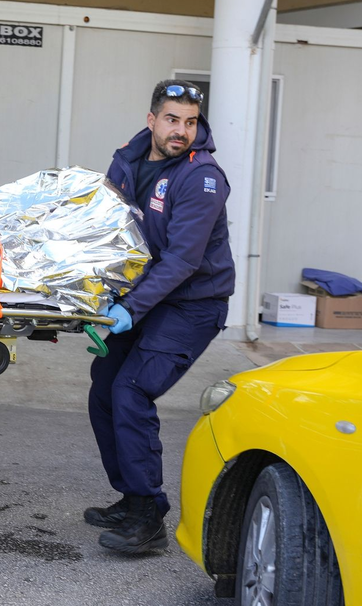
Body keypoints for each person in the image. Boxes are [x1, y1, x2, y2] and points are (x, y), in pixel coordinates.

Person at [84, 80, 234, 554]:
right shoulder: (127, 160)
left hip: (192, 304)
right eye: (172, 119)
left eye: (191, 122)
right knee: (105, 385)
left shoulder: (202, 177)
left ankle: (149, 517)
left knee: (133, 389)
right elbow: (105, 227)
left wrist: (129, 309)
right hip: (146, 295)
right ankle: (131, 497)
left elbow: (183, 260)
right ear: (152, 120)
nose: (182, 131)